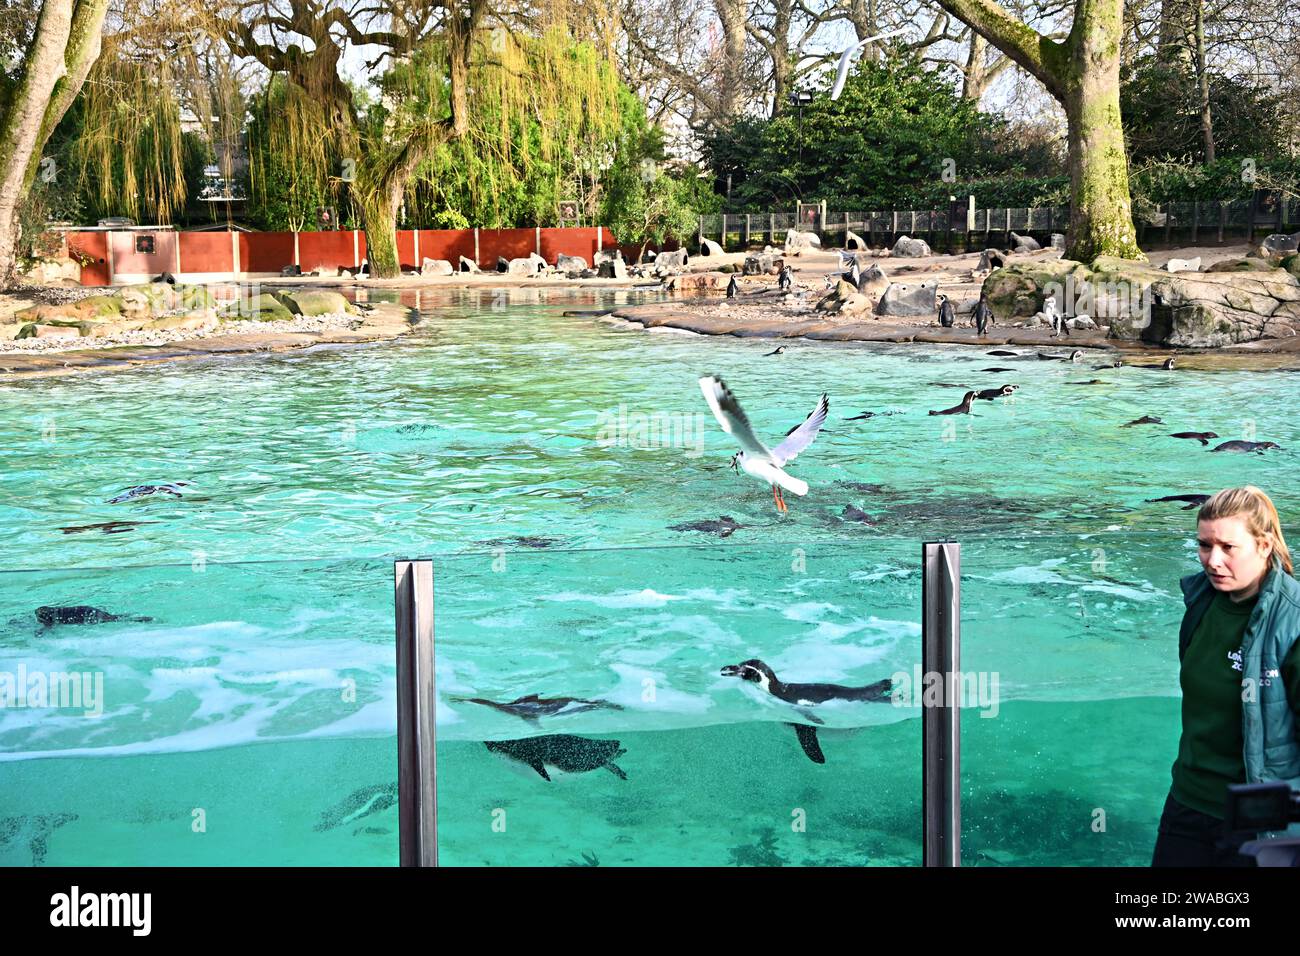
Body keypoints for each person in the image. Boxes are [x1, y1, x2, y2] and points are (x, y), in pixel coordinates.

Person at [1151, 486, 1300, 866]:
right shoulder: (1200, 600)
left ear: (1264, 545)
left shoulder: (1293, 621)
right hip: (1186, 802)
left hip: (1261, 820)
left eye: (1228, 548)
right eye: (1204, 545)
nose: (1213, 560)